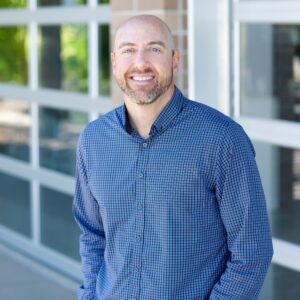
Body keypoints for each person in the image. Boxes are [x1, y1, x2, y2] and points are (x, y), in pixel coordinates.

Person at [72, 14, 273, 300]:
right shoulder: (93, 140)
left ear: (175, 60)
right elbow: (93, 236)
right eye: (129, 50)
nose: (140, 63)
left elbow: (252, 252)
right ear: (115, 61)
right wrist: (90, 294)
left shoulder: (222, 139)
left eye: (154, 49)